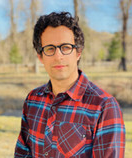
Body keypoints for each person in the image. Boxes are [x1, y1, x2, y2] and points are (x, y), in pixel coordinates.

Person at [14, 12, 125, 158]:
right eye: (50, 48)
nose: (58, 56)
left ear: (78, 52)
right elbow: (22, 154)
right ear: (40, 56)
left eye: (66, 47)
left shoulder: (104, 106)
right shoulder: (33, 100)